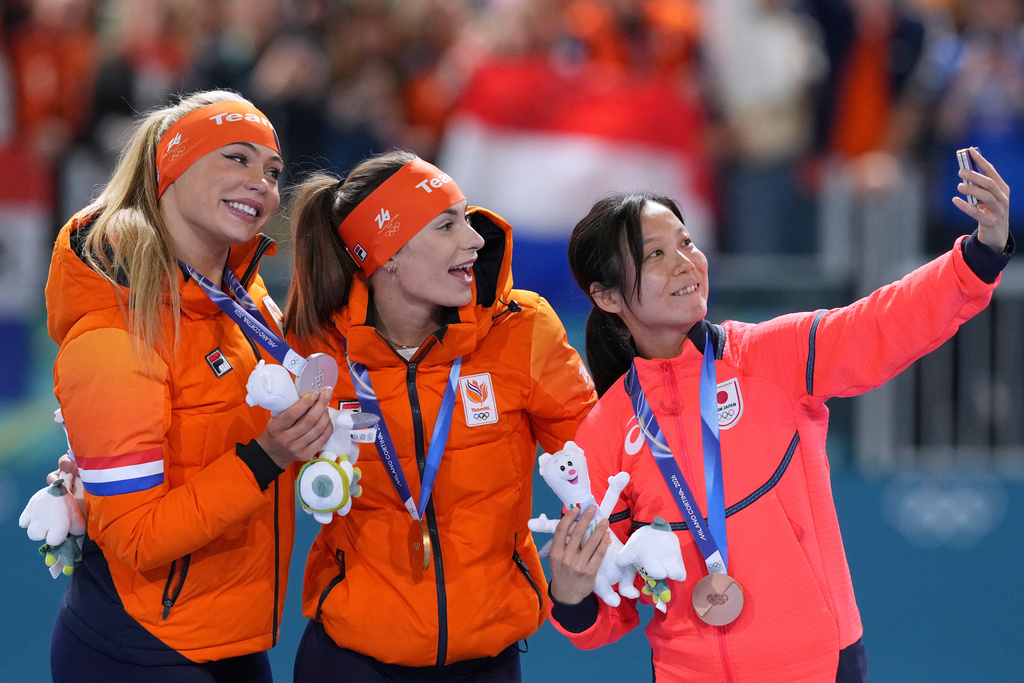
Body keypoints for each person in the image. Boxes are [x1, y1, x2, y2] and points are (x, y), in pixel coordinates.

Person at [545, 147, 1011, 682]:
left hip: (817, 666)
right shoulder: (603, 434)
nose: (685, 263)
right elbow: (615, 610)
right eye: (655, 255)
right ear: (606, 297)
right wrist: (571, 594)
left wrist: (977, 257)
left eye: (687, 242)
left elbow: (882, 324)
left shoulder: (771, 357)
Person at [44, 90, 334, 682]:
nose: (262, 182)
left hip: (233, 637)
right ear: (172, 169)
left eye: (273, 171)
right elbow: (138, 536)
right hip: (139, 648)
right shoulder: (115, 334)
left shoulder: (247, 301)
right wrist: (269, 456)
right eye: (237, 158)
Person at [283, 150, 598, 681]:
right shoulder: (313, 351)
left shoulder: (522, 329)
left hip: (487, 661)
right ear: (387, 256)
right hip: (350, 660)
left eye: (467, 218)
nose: (475, 240)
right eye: (447, 224)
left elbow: (604, 459)